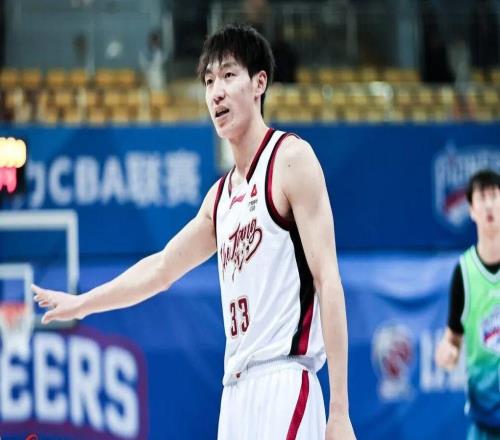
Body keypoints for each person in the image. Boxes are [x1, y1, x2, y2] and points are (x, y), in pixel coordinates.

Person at [33, 24, 355, 440]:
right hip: (235, 392)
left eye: (228, 75)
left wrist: (339, 410)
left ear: (259, 83)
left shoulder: (291, 159)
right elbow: (161, 269)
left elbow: (328, 279)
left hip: (284, 379)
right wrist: (83, 304)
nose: (216, 92)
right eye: (208, 81)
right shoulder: (219, 199)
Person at [435, 169, 500, 440]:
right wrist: (447, 352)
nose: (489, 204)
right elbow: (452, 338)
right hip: (483, 422)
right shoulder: (464, 272)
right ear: (471, 210)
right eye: (482, 197)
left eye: (494, 195)